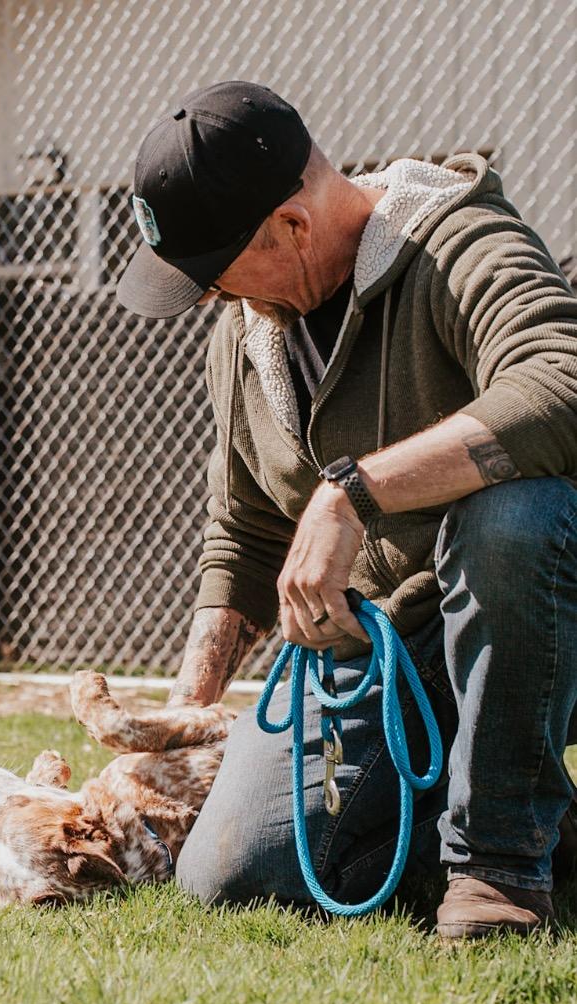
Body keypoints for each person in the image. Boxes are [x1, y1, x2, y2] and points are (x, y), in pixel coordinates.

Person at [116, 81, 577, 939]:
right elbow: (245, 531)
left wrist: (354, 491)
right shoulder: (247, 333)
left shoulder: (457, 240)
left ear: (291, 226)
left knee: (513, 515)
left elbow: (560, 385)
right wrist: (177, 724)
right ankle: (552, 835)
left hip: (541, 611)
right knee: (230, 874)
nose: (212, 298)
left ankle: (501, 870)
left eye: (216, 273)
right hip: (390, 652)